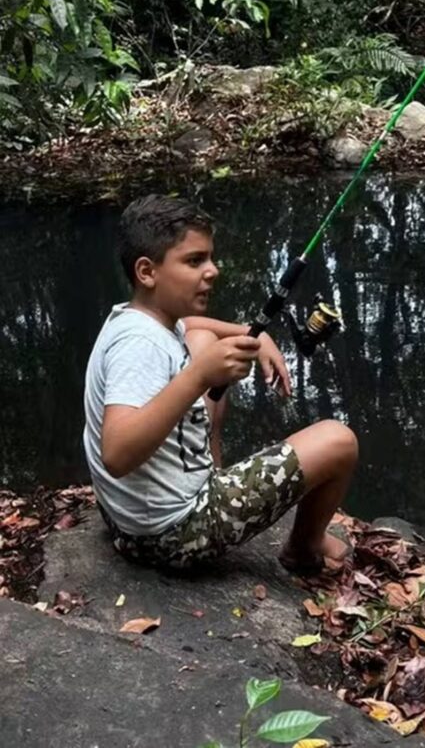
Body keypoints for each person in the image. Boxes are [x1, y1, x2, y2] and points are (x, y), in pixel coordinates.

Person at [82, 194, 357, 575]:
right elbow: (116, 453)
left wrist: (254, 336)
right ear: (147, 271)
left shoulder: (141, 318)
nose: (212, 270)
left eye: (210, 258)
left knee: (203, 342)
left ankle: (212, 476)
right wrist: (199, 376)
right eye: (195, 261)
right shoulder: (139, 346)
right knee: (339, 440)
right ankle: (304, 546)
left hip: (129, 521)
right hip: (172, 535)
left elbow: (193, 328)